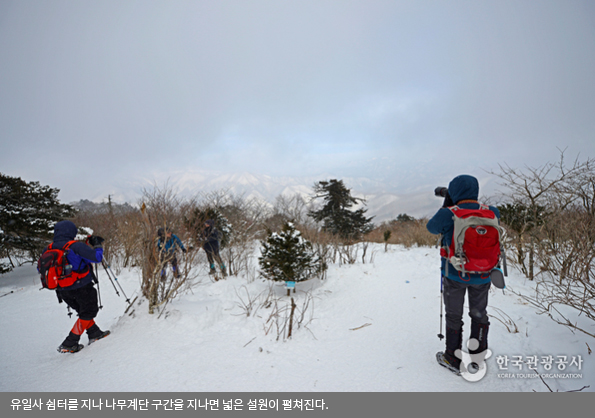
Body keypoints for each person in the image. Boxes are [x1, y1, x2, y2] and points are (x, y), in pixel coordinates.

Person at [426, 174, 500, 375]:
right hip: (484, 274)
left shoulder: (449, 213)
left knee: (454, 315)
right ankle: (477, 357)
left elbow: (431, 228)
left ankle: (452, 357)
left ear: (454, 191)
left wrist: (447, 202)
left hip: (455, 274)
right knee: (479, 313)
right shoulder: (492, 212)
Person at [46, 220, 110, 353]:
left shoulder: (49, 248)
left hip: (62, 290)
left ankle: (95, 333)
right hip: (82, 287)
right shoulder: (75, 246)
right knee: (89, 311)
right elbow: (97, 258)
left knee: (83, 312)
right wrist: (97, 245)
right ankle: (70, 342)